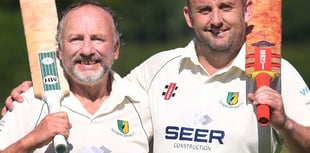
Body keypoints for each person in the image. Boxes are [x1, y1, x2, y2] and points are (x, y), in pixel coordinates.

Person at [3, 0, 310, 153]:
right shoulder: (156, 71)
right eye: (204, 9)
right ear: (189, 16)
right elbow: (94, 79)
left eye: (225, 7)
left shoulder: (276, 73)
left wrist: (286, 123)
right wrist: (31, 99)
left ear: (247, 11)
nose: (216, 20)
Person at [0, 1, 152, 153]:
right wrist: (31, 140)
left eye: (97, 38)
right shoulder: (28, 103)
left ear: (116, 49)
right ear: (59, 50)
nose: (87, 50)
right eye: (76, 39)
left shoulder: (143, 105)